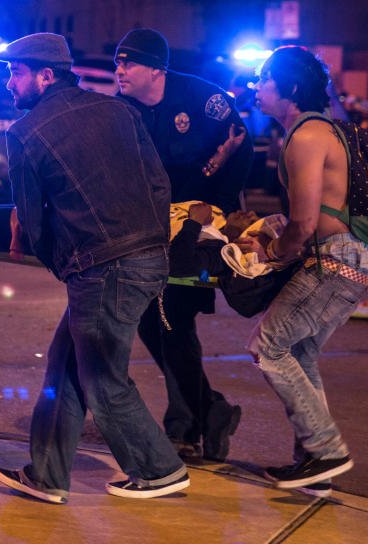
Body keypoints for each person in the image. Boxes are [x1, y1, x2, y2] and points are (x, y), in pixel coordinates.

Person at [0, 33, 187, 504]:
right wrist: (155, 245)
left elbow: (34, 226)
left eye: (15, 72)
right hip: (145, 257)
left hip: (102, 267)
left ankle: (159, 469)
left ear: (45, 75)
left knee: (102, 378)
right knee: (64, 366)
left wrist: (67, 266)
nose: (8, 82)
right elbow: (160, 185)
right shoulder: (120, 111)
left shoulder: (25, 133)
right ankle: (47, 474)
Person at [238, 45, 368, 496]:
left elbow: (303, 223)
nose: (256, 86)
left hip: (335, 258)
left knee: (267, 346)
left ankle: (325, 449)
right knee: (297, 353)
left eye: (264, 78)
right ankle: (315, 465)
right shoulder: (329, 128)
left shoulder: (305, 136)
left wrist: (273, 253)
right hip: (355, 257)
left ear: (291, 88)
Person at [114, 28, 253, 462]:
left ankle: (183, 428)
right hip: (152, 229)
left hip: (198, 228)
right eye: (117, 62)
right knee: (148, 320)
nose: (119, 71)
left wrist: (219, 208)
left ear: (158, 68)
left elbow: (240, 145)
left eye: (128, 62)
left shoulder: (202, 100)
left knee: (174, 317)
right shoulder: (122, 109)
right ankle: (211, 409)